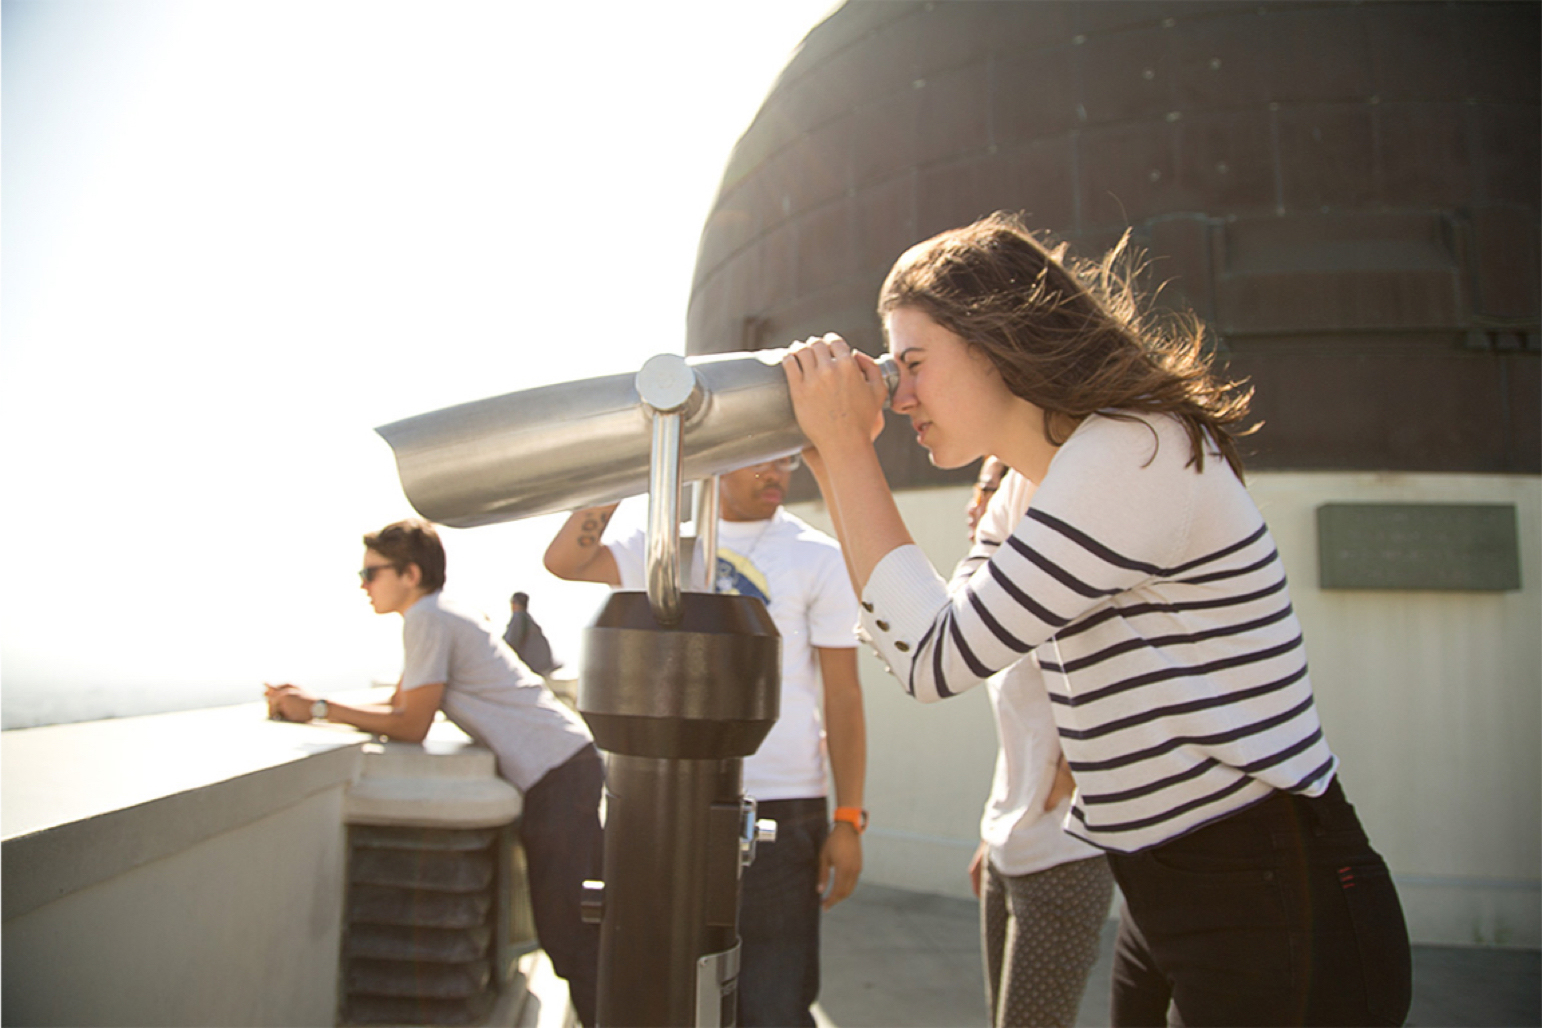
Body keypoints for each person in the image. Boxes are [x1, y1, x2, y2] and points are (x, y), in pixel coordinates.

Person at [779, 211, 1412, 1027]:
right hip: (1160, 883)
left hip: (1275, 892)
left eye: (913, 362)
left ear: (996, 340)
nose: (898, 394)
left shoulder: (1135, 449)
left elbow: (933, 659)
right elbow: (931, 627)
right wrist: (834, 455)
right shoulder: (1028, 483)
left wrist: (846, 449)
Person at [543, 457, 867, 1028]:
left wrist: (848, 817)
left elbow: (843, 695)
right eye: (757, 458)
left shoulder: (815, 555)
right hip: (661, 803)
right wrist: (625, 469)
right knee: (659, 993)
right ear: (715, 462)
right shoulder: (660, 548)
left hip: (784, 806)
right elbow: (566, 560)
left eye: (785, 459)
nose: (776, 473)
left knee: (774, 1001)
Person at [265, 519, 603, 1027]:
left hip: (558, 772)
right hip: (563, 764)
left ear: (410, 573)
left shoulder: (425, 618)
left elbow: (410, 724)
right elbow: (405, 701)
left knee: (570, 935)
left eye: (371, 572)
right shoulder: (438, 614)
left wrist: (316, 711)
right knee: (572, 931)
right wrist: (311, 703)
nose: (363, 584)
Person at [964, 457, 1114, 1028]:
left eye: (992, 488)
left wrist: (1067, 779)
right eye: (979, 488)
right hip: (1007, 844)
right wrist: (995, 830)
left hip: (1066, 852)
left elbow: (1112, 684)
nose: (976, 503)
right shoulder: (997, 594)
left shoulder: (1065, 582)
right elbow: (1024, 726)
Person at [503, 590, 559, 676]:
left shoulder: (519, 618)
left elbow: (510, 644)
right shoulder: (528, 620)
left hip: (532, 668)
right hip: (541, 666)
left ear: (514, 604)